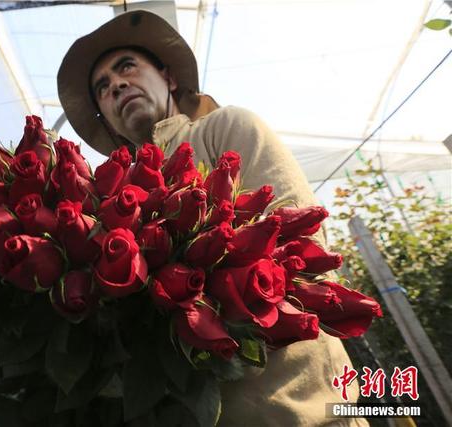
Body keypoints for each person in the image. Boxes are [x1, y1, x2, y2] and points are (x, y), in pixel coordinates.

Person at [58, 10, 366, 426]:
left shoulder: (224, 128)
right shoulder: (110, 199)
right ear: (106, 119)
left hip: (297, 399)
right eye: (103, 88)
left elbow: (301, 243)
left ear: (168, 78)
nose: (116, 85)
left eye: (126, 67)